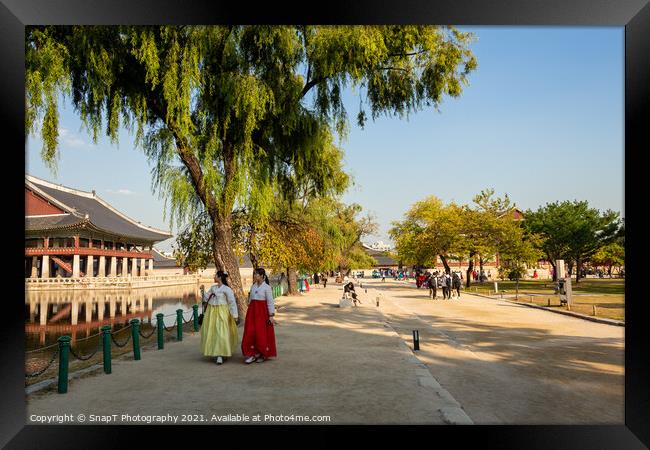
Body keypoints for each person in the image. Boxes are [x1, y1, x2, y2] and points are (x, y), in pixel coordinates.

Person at [199, 271, 240, 365]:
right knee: (213, 331)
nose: (214, 277)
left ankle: (221, 354)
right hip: (212, 312)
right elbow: (206, 298)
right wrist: (203, 291)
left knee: (222, 331)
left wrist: (234, 315)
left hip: (222, 312)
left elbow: (231, 302)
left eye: (215, 276)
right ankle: (215, 351)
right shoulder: (213, 288)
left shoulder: (227, 289)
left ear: (220, 277)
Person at [241, 267, 277, 364]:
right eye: (254, 274)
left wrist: (271, 315)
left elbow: (270, 302)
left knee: (261, 333)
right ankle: (251, 354)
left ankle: (262, 354)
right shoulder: (253, 286)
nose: (254, 276)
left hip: (262, 313)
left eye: (256, 274)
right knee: (250, 332)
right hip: (252, 312)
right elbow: (250, 300)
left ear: (262, 276)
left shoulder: (267, 288)